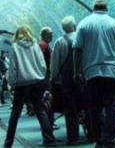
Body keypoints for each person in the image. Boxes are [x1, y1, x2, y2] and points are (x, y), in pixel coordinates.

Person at [74, 0, 115, 148]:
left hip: (92, 72)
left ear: (93, 8)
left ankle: (99, 140)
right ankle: (110, 141)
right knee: (112, 108)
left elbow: (77, 49)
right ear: (106, 8)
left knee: (95, 109)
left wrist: (77, 71)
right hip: (113, 72)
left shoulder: (84, 23)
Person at [4, 26, 57, 148]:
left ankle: (8, 142)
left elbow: (12, 67)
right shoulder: (35, 45)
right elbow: (42, 64)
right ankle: (49, 139)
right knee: (40, 110)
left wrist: (12, 83)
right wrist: (41, 77)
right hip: (37, 82)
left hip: (22, 84)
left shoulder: (15, 47)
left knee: (15, 114)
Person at [51, 16, 81, 145]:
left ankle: (73, 138)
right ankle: (94, 134)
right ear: (75, 25)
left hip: (67, 79)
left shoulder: (60, 42)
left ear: (63, 28)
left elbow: (55, 63)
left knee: (70, 108)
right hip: (83, 77)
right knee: (89, 105)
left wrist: (55, 76)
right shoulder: (82, 37)